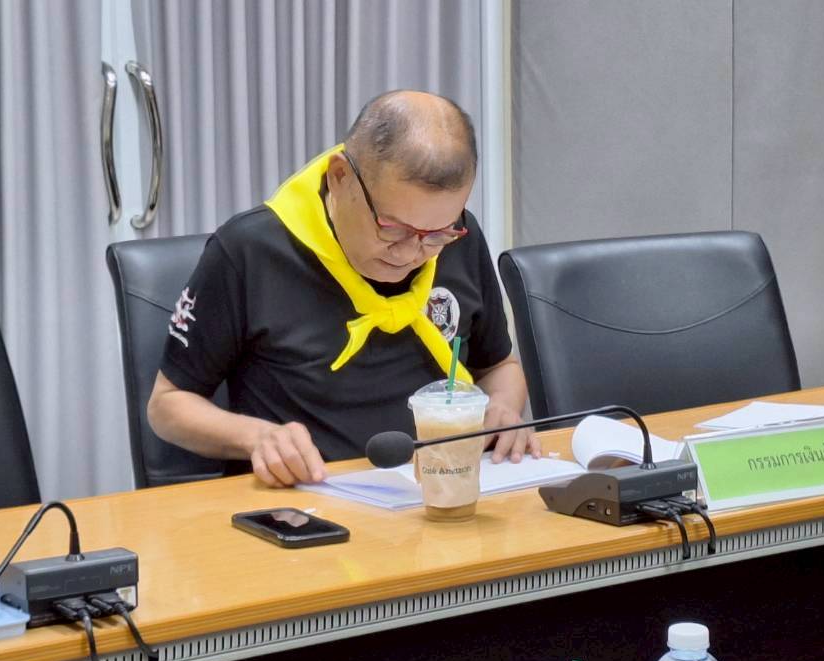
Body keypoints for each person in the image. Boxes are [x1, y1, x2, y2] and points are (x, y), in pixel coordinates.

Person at [147, 90, 538, 488]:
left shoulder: (461, 240)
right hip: (305, 499)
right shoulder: (249, 251)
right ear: (340, 178)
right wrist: (258, 437)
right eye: (392, 229)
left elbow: (499, 367)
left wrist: (502, 408)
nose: (410, 253)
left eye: (436, 234)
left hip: (440, 489)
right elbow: (167, 406)